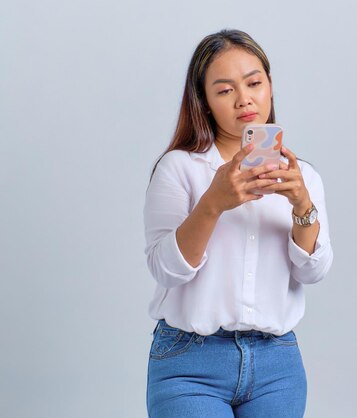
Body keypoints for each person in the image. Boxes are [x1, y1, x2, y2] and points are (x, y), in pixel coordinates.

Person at [143, 29, 333, 418]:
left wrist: (301, 204)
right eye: (225, 89)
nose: (244, 98)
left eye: (253, 83)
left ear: (269, 86)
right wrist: (214, 202)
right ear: (206, 101)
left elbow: (313, 271)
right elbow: (165, 269)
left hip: (276, 365)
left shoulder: (304, 177)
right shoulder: (179, 168)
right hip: (189, 364)